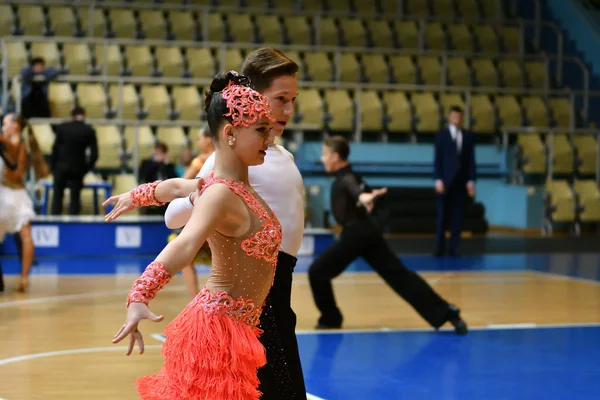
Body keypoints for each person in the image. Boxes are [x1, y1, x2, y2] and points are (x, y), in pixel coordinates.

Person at [104, 48, 307, 400]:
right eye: (260, 129)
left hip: (243, 327)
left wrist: (137, 195)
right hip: (220, 331)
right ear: (230, 134)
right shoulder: (221, 193)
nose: (269, 135)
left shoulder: (233, 187)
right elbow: (182, 245)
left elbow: (178, 187)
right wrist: (139, 295)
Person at [308, 135, 468, 335]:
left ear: (336, 156)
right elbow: (360, 192)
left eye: (325, 154)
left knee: (317, 271)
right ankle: (447, 313)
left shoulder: (346, 178)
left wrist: (365, 197)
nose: (322, 159)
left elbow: (358, 192)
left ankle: (331, 318)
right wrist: (366, 197)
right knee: (400, 277)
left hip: (357, 234)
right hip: (367, 232)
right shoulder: (351, 176)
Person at [169, 124, 215, 300]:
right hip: (223, 218)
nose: (199, 142)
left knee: (184, 254)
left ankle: (194, 298)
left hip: (203, 218)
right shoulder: (230, 158)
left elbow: (182, 184)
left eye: (200, 138)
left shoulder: (200, 161)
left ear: (209, 139)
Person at [0, 114, 37, 292]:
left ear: (15, 126)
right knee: (26, 237)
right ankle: (24, 278)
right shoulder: (21, 142)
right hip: (18, 194)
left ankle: (23, 278)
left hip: (6, 195)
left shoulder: (14, 143)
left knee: (26, 237)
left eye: (5, 122)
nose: (3, 126)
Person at [434, 105, 476, 257]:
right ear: (449, 117)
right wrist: (437, 179)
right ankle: (439, 247)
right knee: (442, 216)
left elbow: (471, 160)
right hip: (444, 181)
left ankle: (454, 247)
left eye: (459, 116)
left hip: (460, 181)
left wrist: (471, 181)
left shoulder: (467, 136)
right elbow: (437, 159)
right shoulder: (442, 135)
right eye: (454, 116)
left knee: (457, 216)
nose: (457, 119)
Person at [50, 106, 98, 215]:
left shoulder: (62, 128)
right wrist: (86, 168)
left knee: (57, 196)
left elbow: (55, 150)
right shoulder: (88, 130)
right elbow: (94, 155)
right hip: (78, 169)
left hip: (60, 168)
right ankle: (73, 225)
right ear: (84, 116)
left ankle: (55, 221)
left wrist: (53, 167)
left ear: (72, 116)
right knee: (75, 197)